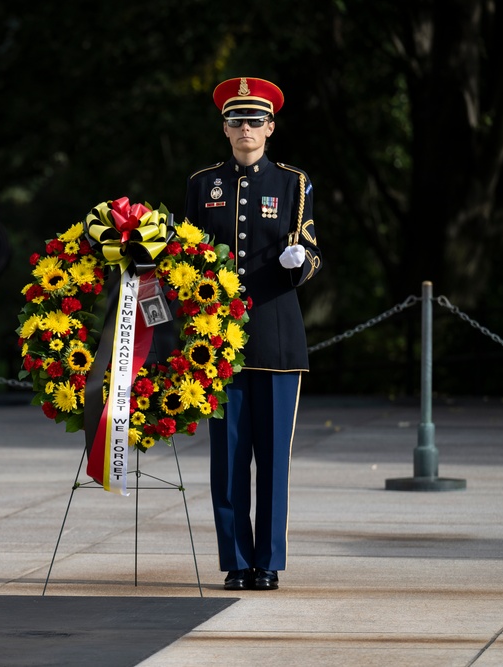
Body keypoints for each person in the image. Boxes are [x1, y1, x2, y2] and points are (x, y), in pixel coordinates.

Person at [183, 77, 321, 592]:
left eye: (255, 121)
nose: (247, 129)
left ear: (270, 127)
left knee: (272, 461)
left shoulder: (293, 183)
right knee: (229, 458)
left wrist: (299, 260)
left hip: (278, 339)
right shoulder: (203, 185)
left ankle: (269, 561)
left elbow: (311, 248)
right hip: (220, 342)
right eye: (237, 121)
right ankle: (236, 561)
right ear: (225, 128)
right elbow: (185, 256)